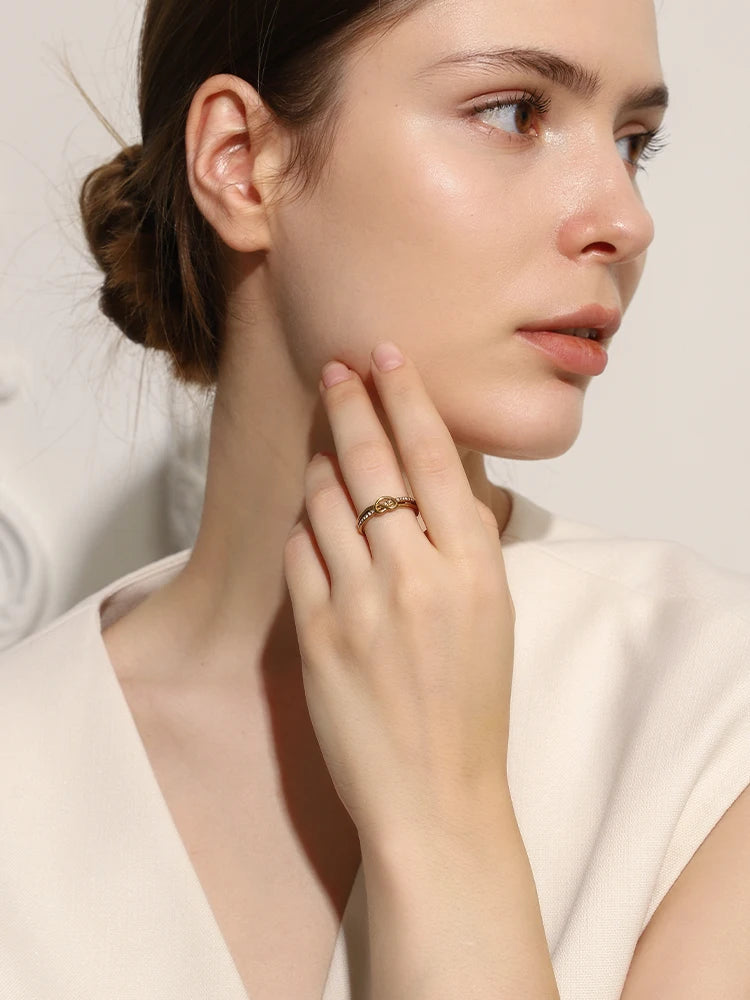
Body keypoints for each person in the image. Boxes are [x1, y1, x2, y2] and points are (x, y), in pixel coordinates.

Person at [1, 0, 749, 998]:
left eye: (633, 142)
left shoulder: (708, 717)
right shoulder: (24, 766)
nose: (624, 216)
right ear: (240, 160)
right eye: (514, 112)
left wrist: (445, 823)